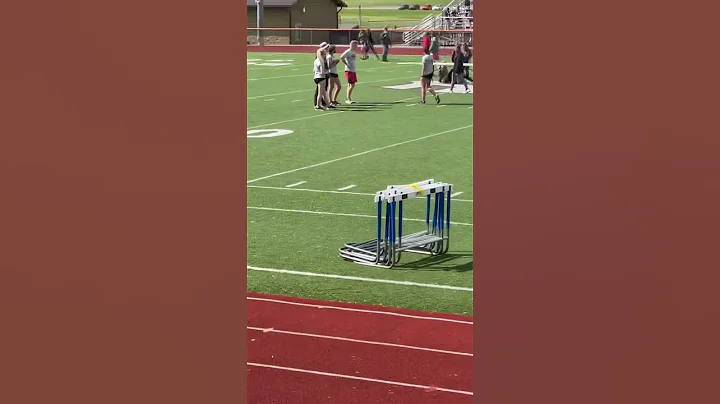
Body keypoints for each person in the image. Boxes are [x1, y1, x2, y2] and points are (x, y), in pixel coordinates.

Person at [313, 45, 333, 110]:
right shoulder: (321, 62)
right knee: (320, 93)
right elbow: (322, 72)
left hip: (316, 77)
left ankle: (328, 104)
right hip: (321, 77)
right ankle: (318, 105)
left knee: (324, 92)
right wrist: (327, 72)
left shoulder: (316, 60)